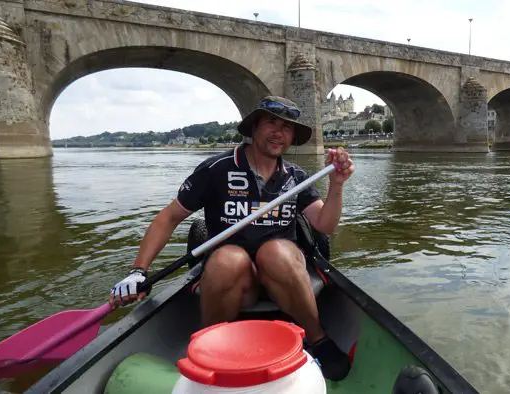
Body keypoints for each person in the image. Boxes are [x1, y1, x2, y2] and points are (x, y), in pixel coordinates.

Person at [109, 95, 355, 381]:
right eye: (271, 123)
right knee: (228, 259)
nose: (279, 132)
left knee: (274, 252)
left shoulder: (296, 176)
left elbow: (324, 224)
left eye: (287, 127)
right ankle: (208, 346)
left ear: (292, 137)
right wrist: (138, 271)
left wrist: (336, 186)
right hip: (234, 281)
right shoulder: (217, 169)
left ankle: (318, 339)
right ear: (253, 128)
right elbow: (169, 218)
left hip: (284, 276)